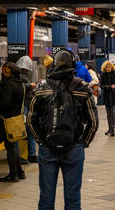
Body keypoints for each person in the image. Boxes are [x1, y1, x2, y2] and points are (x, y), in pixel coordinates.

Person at [27, 49, 99, 210]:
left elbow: (31, 119)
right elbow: (93, 122)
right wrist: (82, 142)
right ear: (73, 64)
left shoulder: (41, 87)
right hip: (74, 148)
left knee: (46, 196)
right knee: (73, 197)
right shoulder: (82, 88)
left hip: (47, 148)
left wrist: (40, 140)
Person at [0, 62, 26, 182]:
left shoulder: (8, 84)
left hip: (8, 120)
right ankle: (20, 172)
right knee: (14, 146)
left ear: (9, 71)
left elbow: (5, 103)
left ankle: (13, 174)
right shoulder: (19, 83)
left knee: (10, 147)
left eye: (4, 70)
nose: (2, 72)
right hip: (16, 118)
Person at [16, 56, 38, 164]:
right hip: (21, 107)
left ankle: (32, 154)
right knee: (20, 131)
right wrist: (30, 86)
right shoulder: (15, 76)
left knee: (30, 130)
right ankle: (19, 156)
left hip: (27, 106)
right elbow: (18, 88)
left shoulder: (23, 75)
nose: (25, 71)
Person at [101, 60, 115, 137]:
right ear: (105, 68)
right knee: (108, 114)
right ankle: (110, 128)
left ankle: (112, 129)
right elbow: (101, 85)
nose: (108, 68)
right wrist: (109, 87)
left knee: (113, 113)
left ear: (112, 67)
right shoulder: (103, 75)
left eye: (109, 67)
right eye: (107, 67)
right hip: (107, 97)